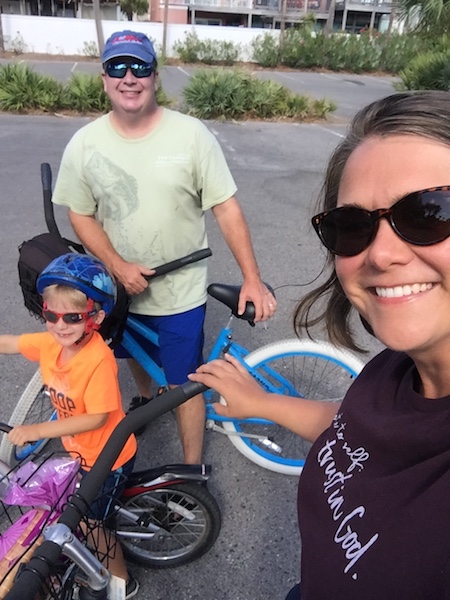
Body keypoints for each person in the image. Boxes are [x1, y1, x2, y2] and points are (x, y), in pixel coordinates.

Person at [189, 90, 450, 599]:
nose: (381, 253)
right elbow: (359, 432)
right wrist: (261, 403)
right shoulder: (396, 370)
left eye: (428, 212)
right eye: (352, 226)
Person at [51, 29, 276, 464]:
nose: (129, 77)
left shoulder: (191, 136)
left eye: (140, 66)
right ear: (104, 78)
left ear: (155, 77)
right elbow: (80, 212)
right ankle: (146, 400)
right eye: (118, 67)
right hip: (120, 289)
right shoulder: (84, 144)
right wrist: (116, 265)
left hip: (179, 293)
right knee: (131, 350)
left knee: (185, 384)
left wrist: (253, 278)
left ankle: (192, 468)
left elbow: (226, 208)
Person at [1, 253, 139, 599]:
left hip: (108, 457)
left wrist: (36, 431)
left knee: (91, 525)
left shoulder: (98, 361)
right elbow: (14, 343)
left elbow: (97, 417)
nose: (60, 326)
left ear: (95, 317)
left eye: (72, 317)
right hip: (82, 452)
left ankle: (122, 582)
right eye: (51, 315)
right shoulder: (51, 345)